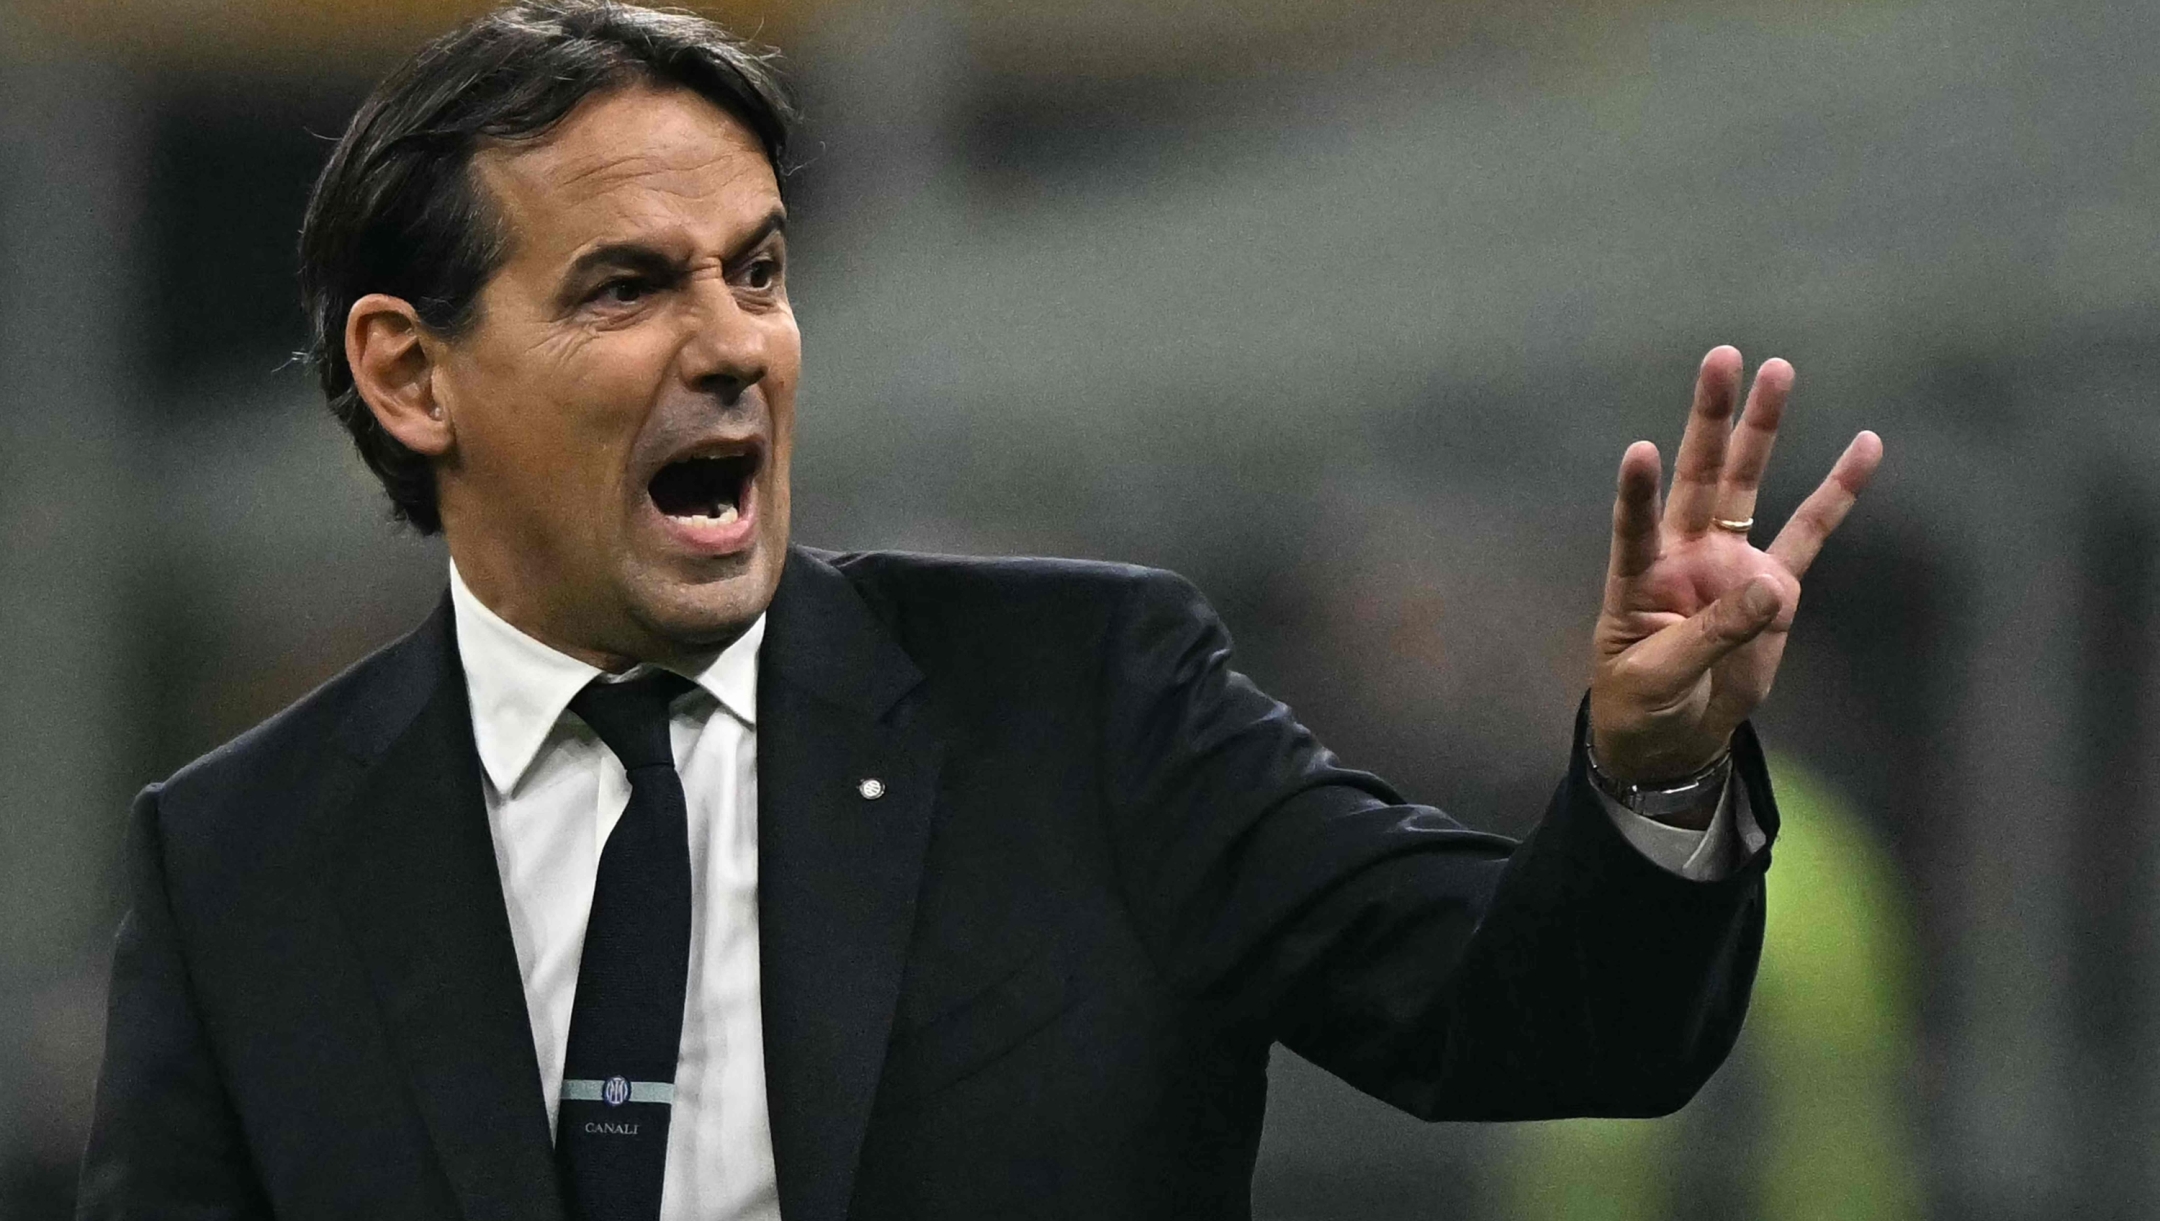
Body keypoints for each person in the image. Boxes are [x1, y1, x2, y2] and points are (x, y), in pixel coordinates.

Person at [75, 3, 1883, 1220]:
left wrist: (1653, 775)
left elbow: (1546, 1022)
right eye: (628, 285)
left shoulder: (1084, 700)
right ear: (410, 375)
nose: (730, 344)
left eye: (760, 272)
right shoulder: (239, 860)